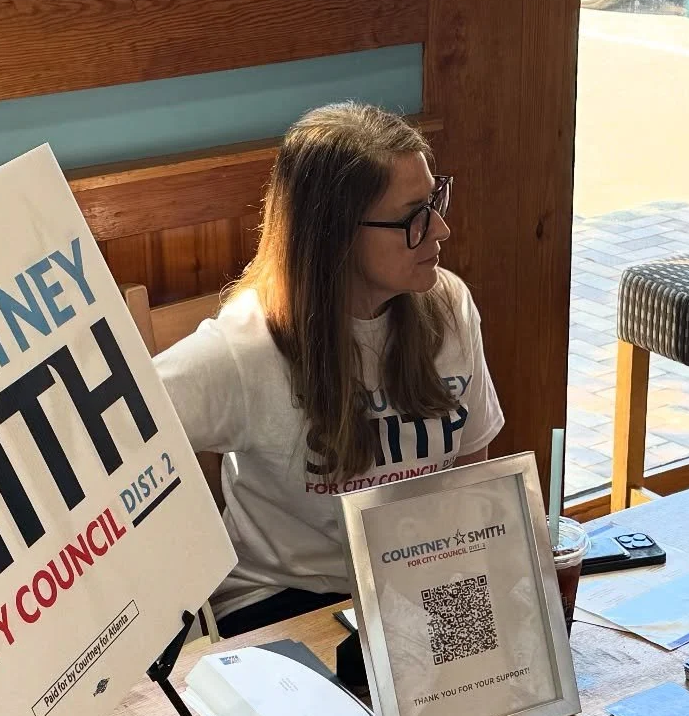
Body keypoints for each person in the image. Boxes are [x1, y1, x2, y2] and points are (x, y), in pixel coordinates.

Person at [157, 103, 503, 637]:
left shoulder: (448, 304)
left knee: (519, 700)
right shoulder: (242, 349)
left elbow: (472, 473)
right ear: (335, 234)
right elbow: (116, 440)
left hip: (417, 585)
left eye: (434, 199)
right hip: (286, 601)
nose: (441, 228)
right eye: (414, 215)